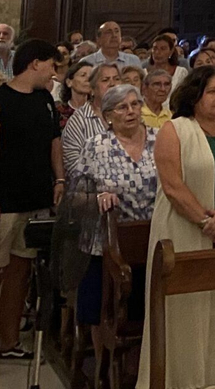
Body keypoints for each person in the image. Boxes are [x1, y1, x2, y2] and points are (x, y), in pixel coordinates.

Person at [137, 64, 215, 389]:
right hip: (183, 230)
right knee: (187, 309)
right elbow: (173, 186)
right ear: (195, 96)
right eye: (213, 92)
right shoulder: (175, 129)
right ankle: (183, 381)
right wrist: (208, 222)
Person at [0, 39, 63, 360]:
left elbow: (54, 141)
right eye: (52, 66)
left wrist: (59, 178)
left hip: (35, 197)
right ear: (35, 63)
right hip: (4, 200)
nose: (55, 74)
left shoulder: (45, 99)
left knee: (20, 273)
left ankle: (9, 342)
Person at [78, 82, 159, 370]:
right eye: (122, 107)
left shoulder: (160, 139)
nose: (131, 111)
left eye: (135, 104)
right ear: (108, 115)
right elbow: (77, 194)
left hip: (152, 237)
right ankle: (104, 366)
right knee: (104, 308)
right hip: (107, 243)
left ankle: (143, 370)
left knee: (146, 310)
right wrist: (97, 195)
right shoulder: (97, 146)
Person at [62, 62, 119, 178]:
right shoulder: (79, 120)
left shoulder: (132, 115)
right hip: (91, 191)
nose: (112, 84)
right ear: (92, 89)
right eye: (105, 80)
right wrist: (111, 174)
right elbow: (73, 164)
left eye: (116, 79)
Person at [57, 59, 94, 129]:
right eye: (83, 75)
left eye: (91, 76)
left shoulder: (98, 110)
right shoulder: (59, 111)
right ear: (69, 82)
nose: (88, 79)